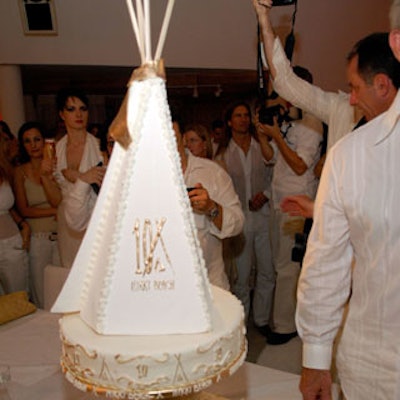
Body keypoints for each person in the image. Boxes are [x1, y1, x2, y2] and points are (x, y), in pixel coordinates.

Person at [295, 0, 400, 398]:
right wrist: (316, 358)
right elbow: (327, 264)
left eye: (355, 88)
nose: (351, 99)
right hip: (377, 369)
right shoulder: (350, 152)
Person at [252, 0, 400, 151]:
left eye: (356, 88)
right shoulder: (342, 111)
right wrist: (263, 17)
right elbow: (286, 82)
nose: (352, 99)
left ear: (382, 86)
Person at [257, 66, 323, 345]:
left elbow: (299, 166)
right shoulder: (287, 119)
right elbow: (272, 158)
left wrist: (278, 137)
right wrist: (264, 135)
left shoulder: (312, 122)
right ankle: (278, 318)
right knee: (276, 264)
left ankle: (285, 327)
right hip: (277, 202)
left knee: (288, 267)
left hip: (296, 205)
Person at [217, 101, 274, 335]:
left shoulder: (262, 146)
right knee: (241, 277)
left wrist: (266, 194)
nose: (243, 119)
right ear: (230, 122)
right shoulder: (222, 153)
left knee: (267, 272)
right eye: (237, 115)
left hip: (263, 218)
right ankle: (241, 325)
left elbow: (274, 176)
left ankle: (261, 321)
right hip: (240, 224)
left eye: (245, 115)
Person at [173, 118, 244, 290]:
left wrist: (211, 208)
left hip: (210, 284)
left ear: (182, 139)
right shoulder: (146, 179)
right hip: (168, 286)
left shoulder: (212, 172)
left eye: (171, 136)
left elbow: (237, 223)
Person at [55, 88, 105, 268]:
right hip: (67, 222)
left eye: (83, 109)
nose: (78, 114)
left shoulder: (99, 147)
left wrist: (79, 177)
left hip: (95, 219)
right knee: (69, 274)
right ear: (62, 114)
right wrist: (45, 175)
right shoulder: (56, 150)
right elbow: (55, 197)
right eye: (71, 109)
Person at [13, 122, 61, 308]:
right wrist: (55, 211)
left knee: (62, 290)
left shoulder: (57, 167)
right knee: (41, 294)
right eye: (27, 141)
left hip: (61, 235)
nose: (33, 145)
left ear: (44, 141)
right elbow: (23, 210)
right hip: (38, 239)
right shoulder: (20, 172)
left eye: (37, 139)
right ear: (23, 145)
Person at [0, 130, 29, 295]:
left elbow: (8, 206)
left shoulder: (5, 169)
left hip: (11, 243)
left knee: (19, 299)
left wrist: (22, 224)